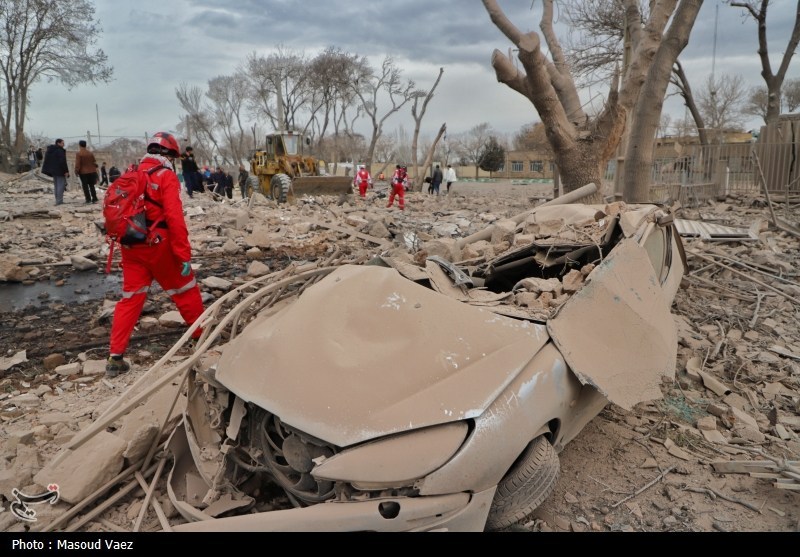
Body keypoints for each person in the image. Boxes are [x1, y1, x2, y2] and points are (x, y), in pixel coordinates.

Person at [105, 132, 205, 377]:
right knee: (185, 290)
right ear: (170, 155)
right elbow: (175, 219)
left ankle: (115, 357)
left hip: (130, 247)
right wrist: (183, 255)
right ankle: (202, 339)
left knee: (130, 298)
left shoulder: (132, 173)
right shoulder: (166, 176)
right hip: (158, 247)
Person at [40, 139, 70, 206]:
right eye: (62, 143)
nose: (64, 144)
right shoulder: (60, 151)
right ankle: (59, 201)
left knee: (56, 186)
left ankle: (57, 200)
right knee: (61, 186)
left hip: (53, 171)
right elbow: (62, 162)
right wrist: (66, 171)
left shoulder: (50, 150)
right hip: (60, 171)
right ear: (58, 143)